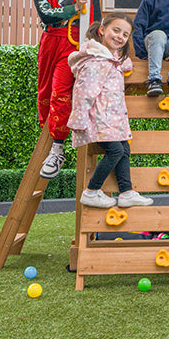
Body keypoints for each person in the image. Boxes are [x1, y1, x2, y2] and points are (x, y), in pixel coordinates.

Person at [67, 12, 153, 208]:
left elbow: (122, 64)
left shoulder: (109, 59)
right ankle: (91, 191)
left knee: (124, 149)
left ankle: (126, 192)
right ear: (102, 29)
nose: (120, 37)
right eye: (116, 30)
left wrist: (122, 62)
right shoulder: (95, 61)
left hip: (112, 118)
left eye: (125, 34)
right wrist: (79, 120)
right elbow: (84, 92)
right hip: (100, 118)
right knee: (115, 151)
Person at [33, 0, 101, 178]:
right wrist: (74, 6)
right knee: (45, 92)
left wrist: (93, 45)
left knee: (61, 91)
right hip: (50, 41)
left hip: (73, 43)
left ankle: (58, 148)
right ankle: (50, 140)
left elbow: (96, 16)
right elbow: (47, 15)